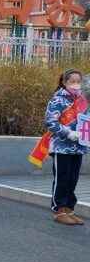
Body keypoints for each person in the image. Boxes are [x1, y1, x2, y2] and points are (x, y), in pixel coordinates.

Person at [45, 69, 87, 226]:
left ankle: (69, 209)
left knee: (73, 179)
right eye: (72, 81)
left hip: (78, 146)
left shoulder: (82, 101)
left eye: (78, 81)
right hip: (62, 147)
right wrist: (68, 133)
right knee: (62, 178)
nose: (76, 84)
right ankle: (59, 210)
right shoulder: (57, 100)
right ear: (64, 82)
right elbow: (51, 123)